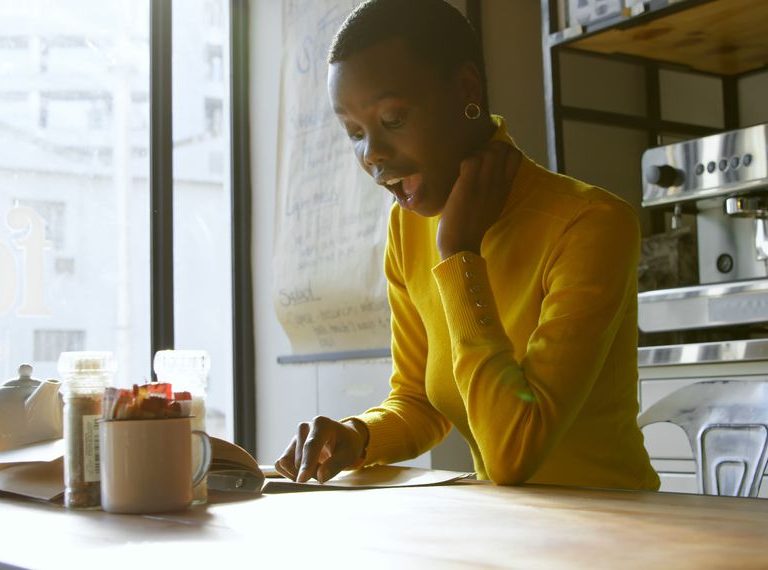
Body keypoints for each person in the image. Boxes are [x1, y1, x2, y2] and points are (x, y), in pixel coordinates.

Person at [274, 0, 659, 490]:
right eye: (354, 132)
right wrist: (357, 436)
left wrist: (459, 254)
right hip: (505, 533)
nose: (371, 154)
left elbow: (513, 452)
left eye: (392, 120)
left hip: (621, 534)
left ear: (467, 91)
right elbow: (419, 400)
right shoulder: (406, 228)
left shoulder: (591, 226)